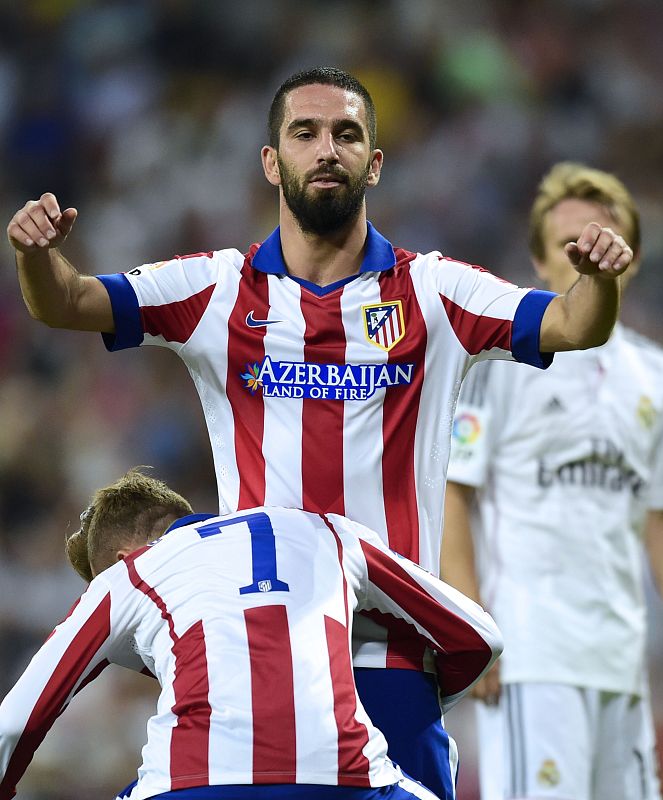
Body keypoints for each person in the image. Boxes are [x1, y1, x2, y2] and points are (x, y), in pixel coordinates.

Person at [6, 67, 634, 797]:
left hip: (394, 656)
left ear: (374, 161)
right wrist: (33, 255)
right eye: (304, 133)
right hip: (262, 661)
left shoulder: (433, 291)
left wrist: (600, 281)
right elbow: (70, 302)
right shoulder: (216, 289)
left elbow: (566, 323)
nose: (325, 148)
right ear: (271, 161)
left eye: (346, 133)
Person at [0, 468, 503, 800]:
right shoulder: (325, 531)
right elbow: (478, 636)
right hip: (344, 778)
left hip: (193, 782)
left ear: (120, 558)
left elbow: (14, 724)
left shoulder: (132, 575)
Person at [442, 162, 663, 800]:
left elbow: (654, 517)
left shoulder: (652, 377)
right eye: (572, 246)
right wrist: (472, 627)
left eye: (604, 237)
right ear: (541, 263)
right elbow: (456, 489)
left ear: (633, 255)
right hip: (531, 654)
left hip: (622, 658)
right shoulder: (506, 364)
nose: (590, 256)